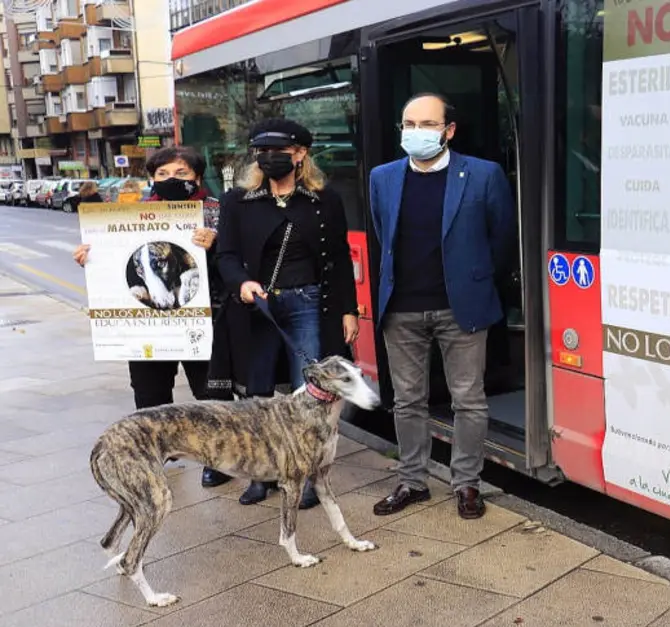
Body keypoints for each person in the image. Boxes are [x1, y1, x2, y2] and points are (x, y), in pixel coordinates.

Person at [367, 92, 516, 520]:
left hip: (462, 307)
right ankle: (412, 481)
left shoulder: (484, 175)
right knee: (407, 400)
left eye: (426, 125)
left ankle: (466, 483)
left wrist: (474, 278)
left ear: (448, 131)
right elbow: (383, 234)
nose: (415, 133)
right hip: (402, 309)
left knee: (468, 400)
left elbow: (502, 238)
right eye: (408, 125)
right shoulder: (383, 177)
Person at [214, 118, 359, 509]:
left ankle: (308, 476)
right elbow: (225, 255)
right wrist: (242, 283)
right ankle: (258, 477)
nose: (268, 159)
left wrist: (349, 310)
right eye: (261, 152)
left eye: (279, 152)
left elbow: (340, 258)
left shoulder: (324, 199)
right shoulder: (236, 201)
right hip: (257, 307)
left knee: (309, 394)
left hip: (309, 302)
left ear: (300, 154)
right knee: (256, 396)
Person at [72, 146, 234, 489]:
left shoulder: (219, 213)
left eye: (181, 173)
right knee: (149, 394)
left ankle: (220, 458)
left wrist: (217, 245)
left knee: (211, 393)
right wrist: (92, 255)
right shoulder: (129, 217)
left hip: (204, 319)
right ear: (152, 179)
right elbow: (117, 260)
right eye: (162, 174)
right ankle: (159, 452)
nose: (171, 180)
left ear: (198, 177)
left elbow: (237, 262)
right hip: (148, 325)